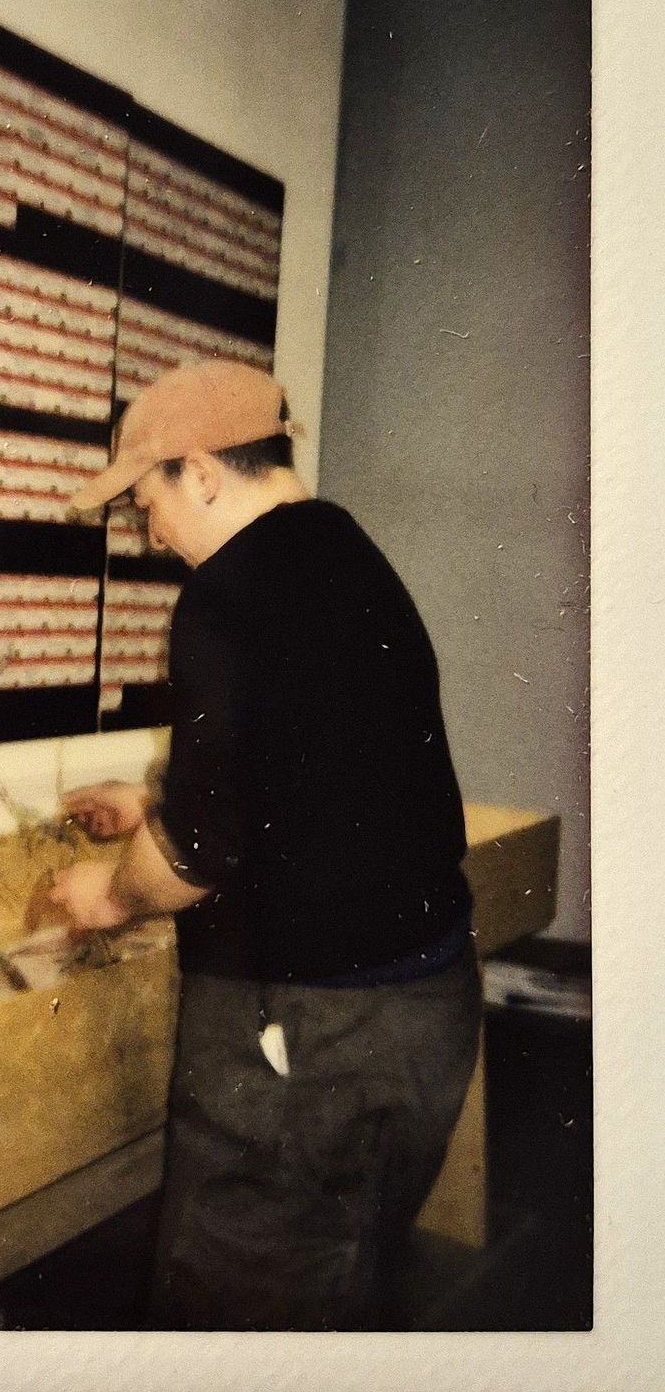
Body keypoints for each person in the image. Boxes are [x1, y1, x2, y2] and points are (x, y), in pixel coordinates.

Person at [49, 359, 481, 1330]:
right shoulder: (347, 552)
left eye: (149, 503)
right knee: (346, 1287)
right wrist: (153, 801)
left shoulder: (226, 596)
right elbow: (308, 763)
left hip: (309, 1042)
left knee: (234, 1320)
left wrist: (109, 895)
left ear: (202, 473)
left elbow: (193, 859)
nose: (151, 534)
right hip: (424, 1016)